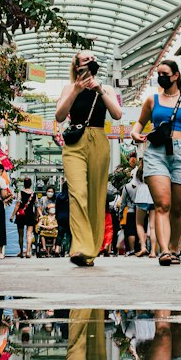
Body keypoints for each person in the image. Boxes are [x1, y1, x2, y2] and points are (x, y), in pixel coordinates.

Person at [131, 59, 181, 267]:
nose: (161, 78)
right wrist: (135, 133)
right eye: (158, 74)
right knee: (163, 204)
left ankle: (173, 248)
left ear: (176, 76)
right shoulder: (152, 100)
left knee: (178, 208)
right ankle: (164, 251)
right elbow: (140, 123)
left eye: (165, 73)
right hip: (156, 153)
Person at [55, 54, 123, 266]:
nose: (90, 60)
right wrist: (76, 90)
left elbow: (117, 114)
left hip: (98, 141)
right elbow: (59, 116)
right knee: (78, 193)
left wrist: (99, 90)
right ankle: (79, 247)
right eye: (85, 58)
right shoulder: (68, 88)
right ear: (77, 66)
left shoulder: (106, 88)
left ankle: (91, 250)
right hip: (75, 144)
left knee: (95, 196)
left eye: (92, 57)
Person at [12, 176, 37, 259]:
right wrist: (36, 216)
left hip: (21, 215)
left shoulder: (20, 193)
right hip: (30, 215)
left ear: (24, 184)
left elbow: (18, 204)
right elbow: (37, 205)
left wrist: (13, 215)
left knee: (21, 235)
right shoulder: (34, 194)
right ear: (30, 184)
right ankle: (28, 252)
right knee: (29, 234)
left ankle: (21, 251)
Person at [54, 180, 71, 256]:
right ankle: (70, 250)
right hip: (69, 217)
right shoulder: (71, 196)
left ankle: (57, 249)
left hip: (60, 217)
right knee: (70, 234)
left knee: (60, 234)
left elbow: (56, 208)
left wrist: (57, 216)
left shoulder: (59, 196)